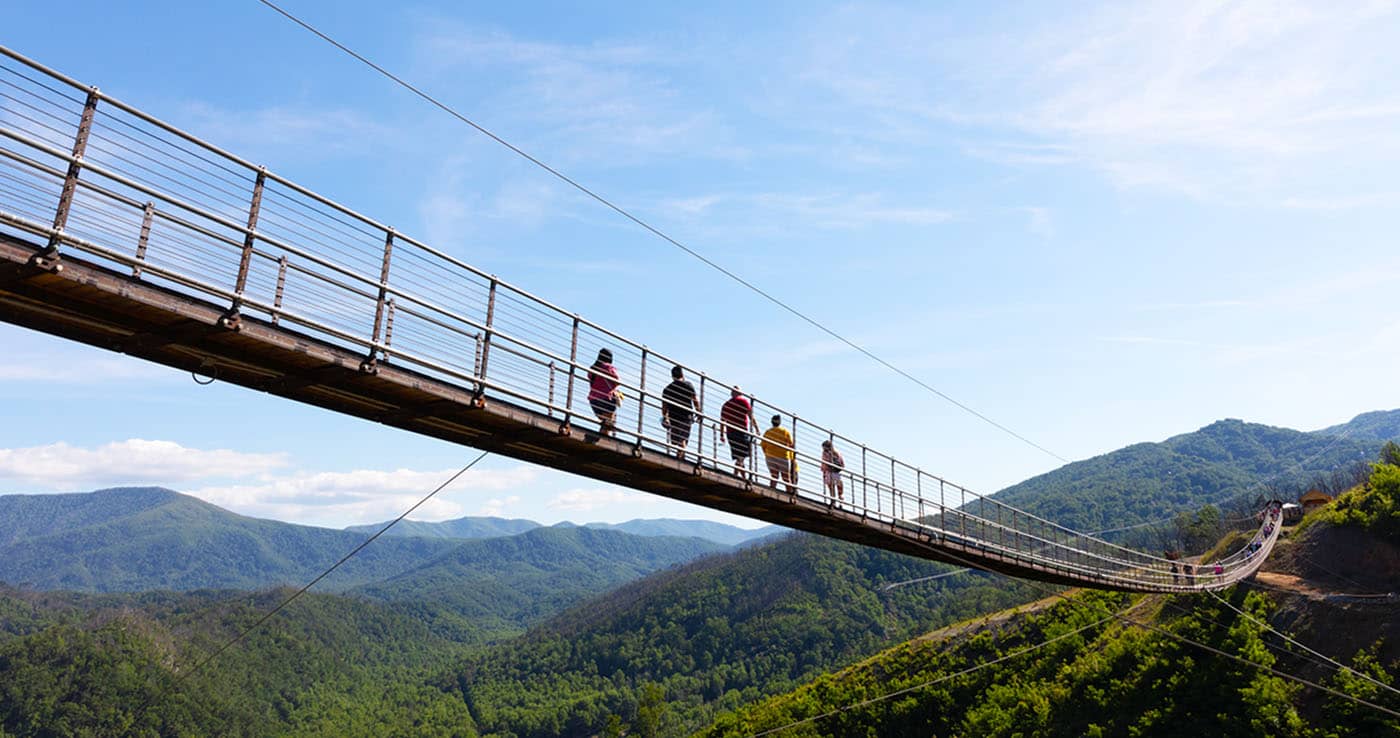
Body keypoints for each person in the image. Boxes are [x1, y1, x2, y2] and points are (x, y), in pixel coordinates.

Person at [660, 365, 700, 461]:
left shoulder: (668, 389)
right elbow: (695, 400)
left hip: (674, 417)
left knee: (676, 441)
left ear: (672, 376)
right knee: (682, 439)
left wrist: (665, 417)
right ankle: (680, 459)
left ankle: (680, 457)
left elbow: (664, 405)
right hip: (686, 416)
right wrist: (699, 412)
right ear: (682, 374)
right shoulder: (688, 385)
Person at [719, 386, 758, 480]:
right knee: (741, 457)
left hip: (730, 433)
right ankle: (742, 478)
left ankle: (737, 476)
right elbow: (751, 417)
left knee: (739, 457)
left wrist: (722, 434)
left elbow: (722, 421)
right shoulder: (744, 401)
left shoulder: (726, 405)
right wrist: (757, 429)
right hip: (741, 431)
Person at [587, 348, 621, 438]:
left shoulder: (593, 368)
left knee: (605, 423)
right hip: (606, 398)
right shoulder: (608, 367)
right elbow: (617, 380)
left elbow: (591, 380)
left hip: (593, 399)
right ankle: (604, 439)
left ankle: (604, 436)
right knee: (608, 422)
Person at [760, 414, 796, 493]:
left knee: (774, 476)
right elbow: (791, 445)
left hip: (770, 456)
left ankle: (771, 491)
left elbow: (763, 445)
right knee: (786, 478)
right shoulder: (784, 432)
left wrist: (766, 454)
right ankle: (789, 493)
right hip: (782, 456)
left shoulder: (768, 432)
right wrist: (792, 458)